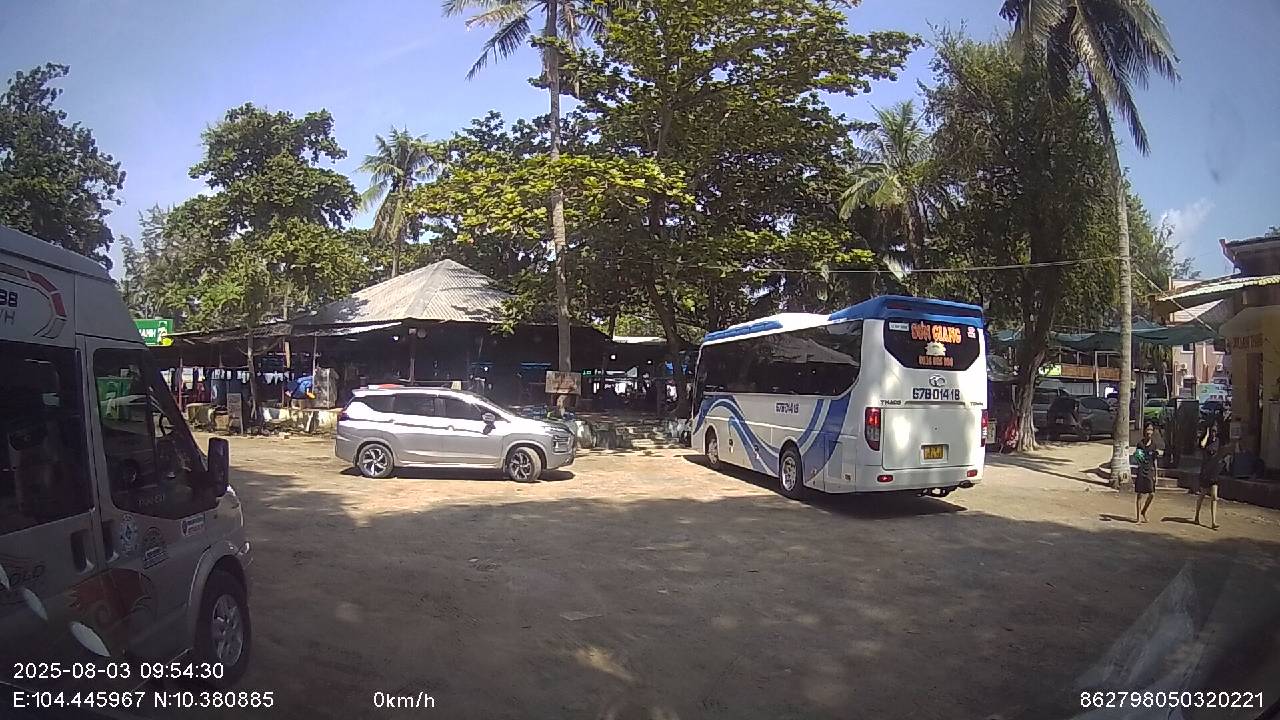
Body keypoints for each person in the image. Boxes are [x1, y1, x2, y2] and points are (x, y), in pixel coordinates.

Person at [1195, 425, 1232, 530]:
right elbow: (1202, 445)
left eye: (1215, 431)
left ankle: (1213, 521)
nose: (1213, 433)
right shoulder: (1205, 441)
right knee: (1202, 495)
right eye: (1212, 431)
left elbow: (1224, 449)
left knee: (1214, 496)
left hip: (1214, 471)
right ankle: (1197, 515)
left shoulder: (1218, 441)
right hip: (1206, 472)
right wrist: (1206, 435)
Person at [1134, 422, 1157, 523]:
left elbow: (1155, 460)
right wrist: (1138, 457)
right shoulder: (1140, 444)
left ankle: (1144, 511)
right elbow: (1138, 458)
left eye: (1151, 430)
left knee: (1152, 494)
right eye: (1148, 429)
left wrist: (1156, 474)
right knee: (1139, 495)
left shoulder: (1154, 445)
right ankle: (1138, 518)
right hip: (1141, 470)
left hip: (1149, 471)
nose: (1149, 432)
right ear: (1144, 431)